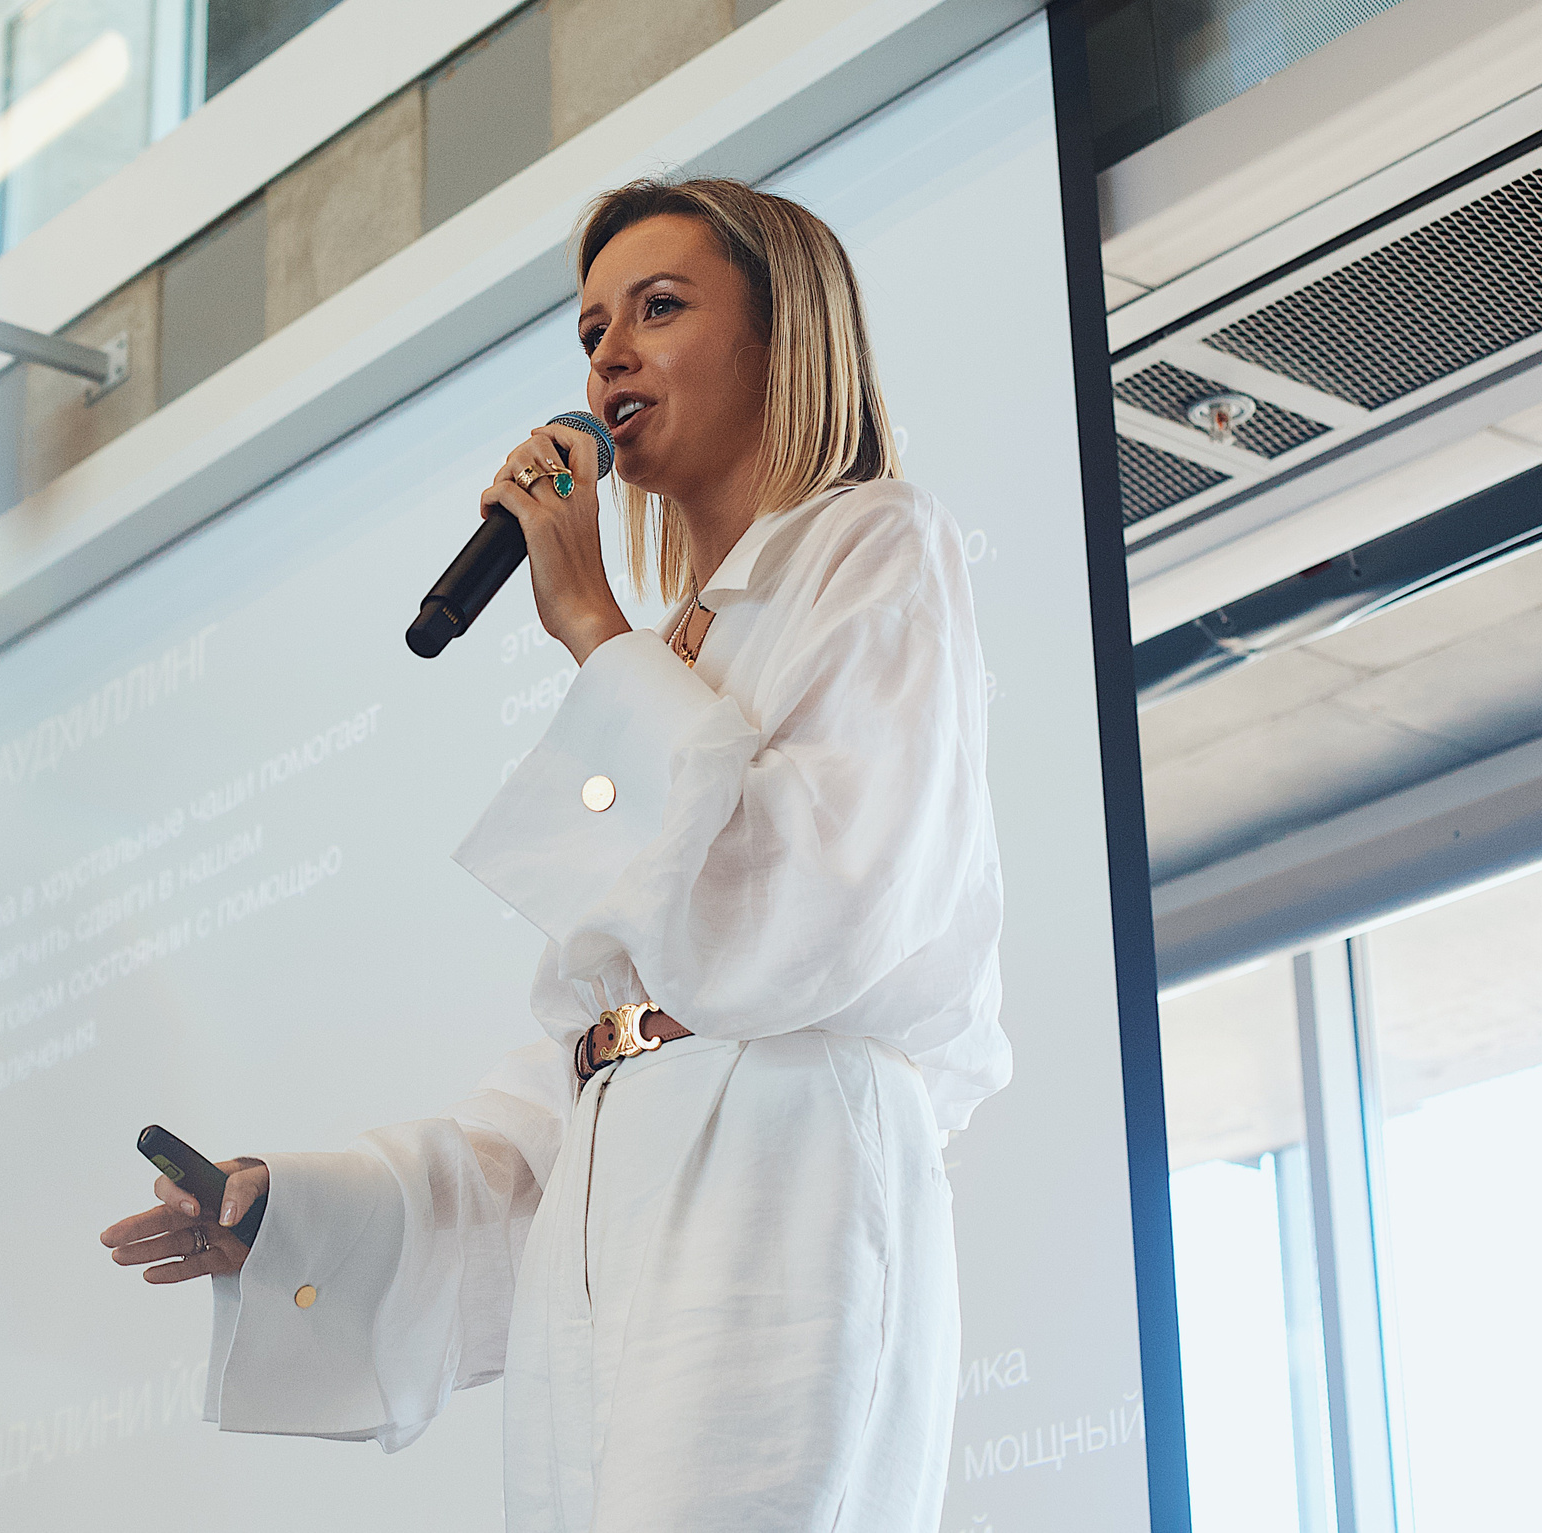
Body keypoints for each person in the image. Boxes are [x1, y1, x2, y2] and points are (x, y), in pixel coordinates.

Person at [99, 177, 1007, 1532]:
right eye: (591, 332)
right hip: (614, 1218)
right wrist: (291, 1214)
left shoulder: (875, 543)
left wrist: (590, 622)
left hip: (784, 1174)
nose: (608, 358)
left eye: (659, 308)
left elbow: (806, 910)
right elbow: (575, 1082)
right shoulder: (671, 651)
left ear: (785, 334)